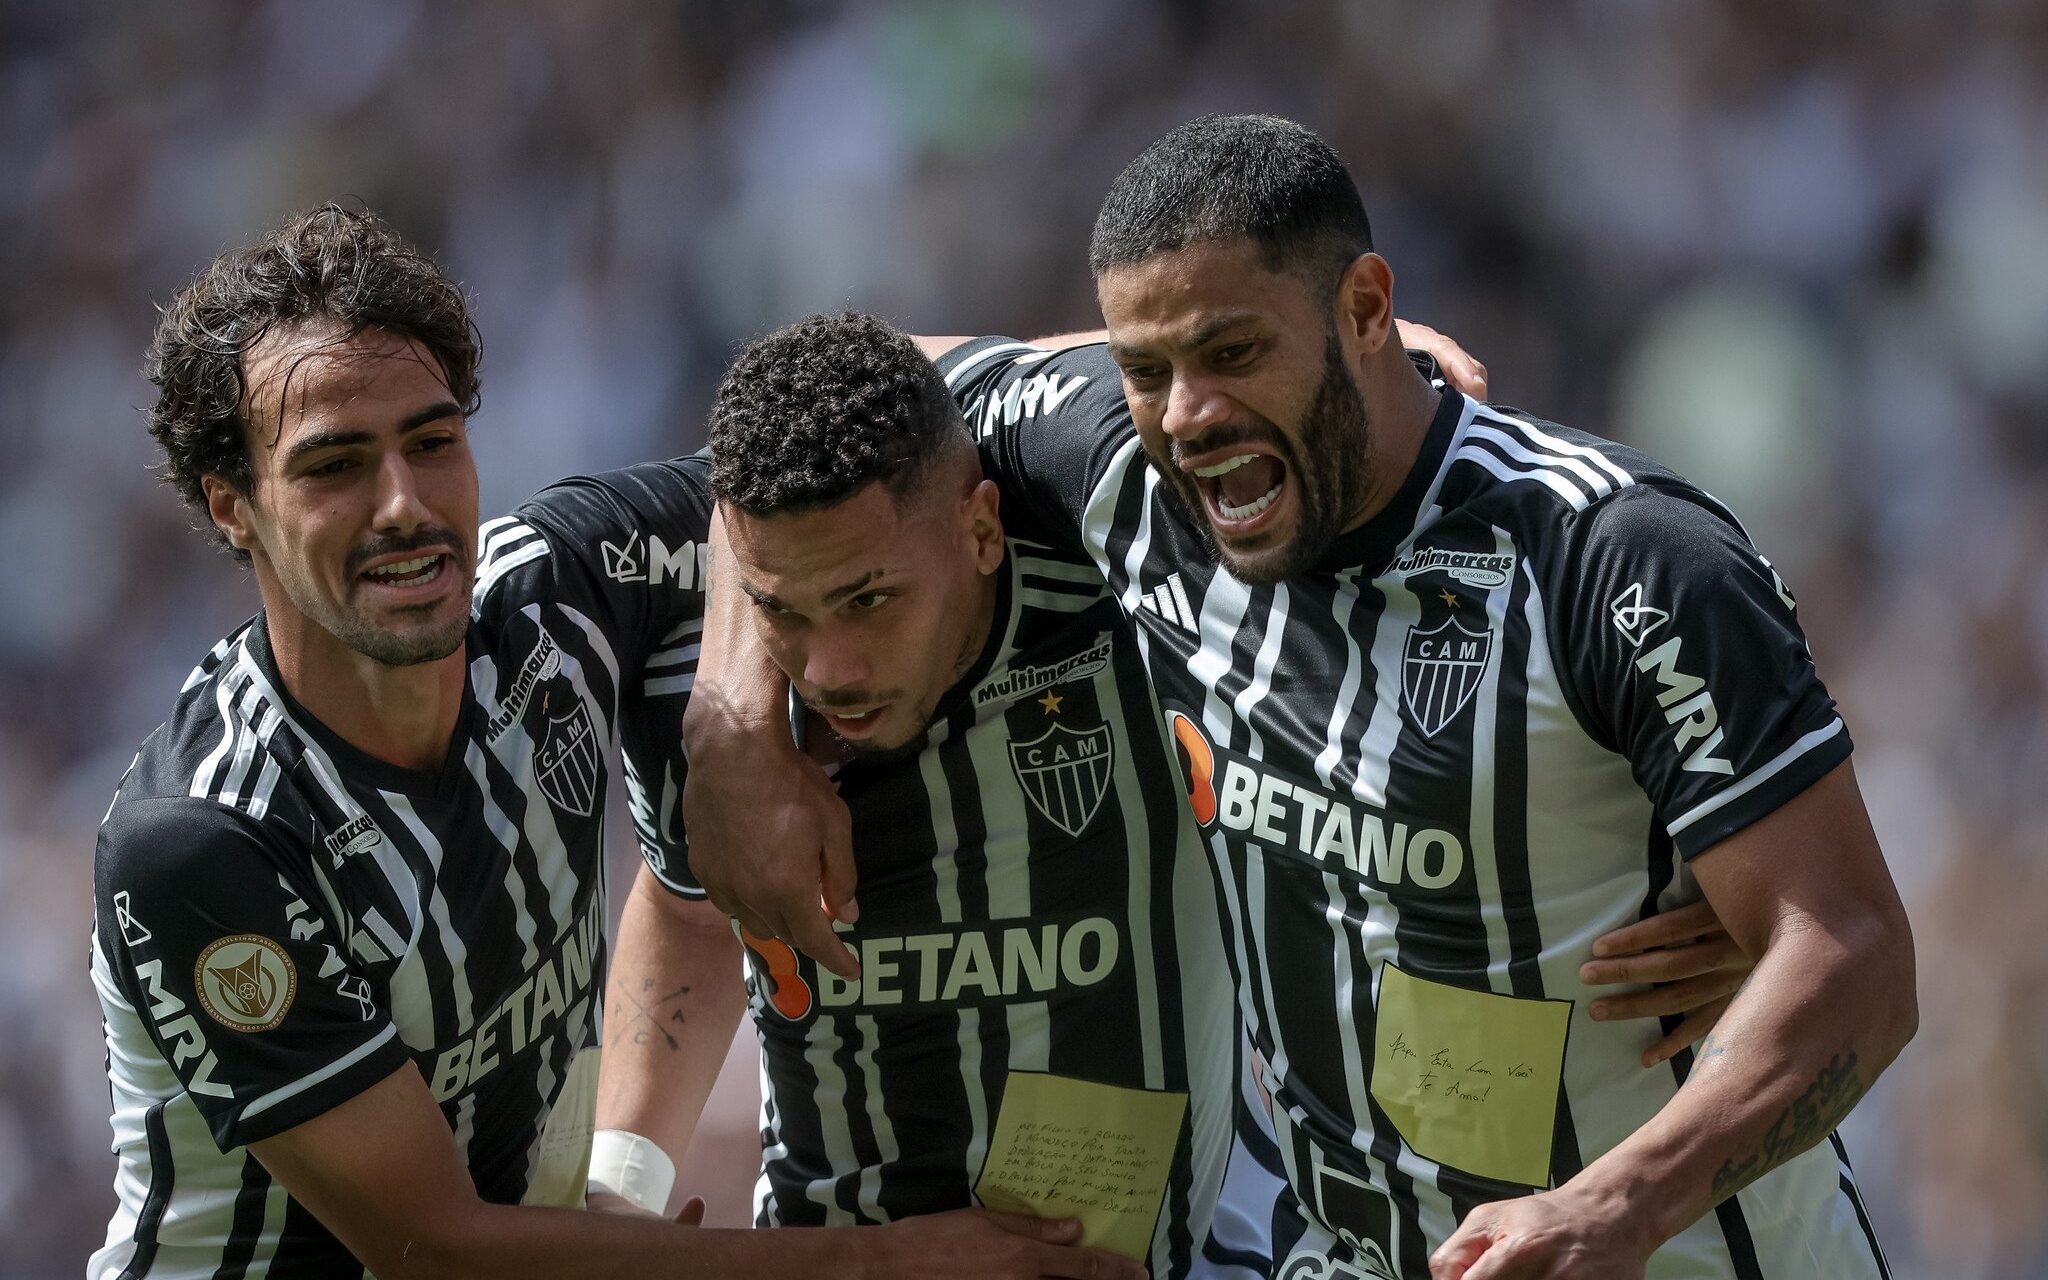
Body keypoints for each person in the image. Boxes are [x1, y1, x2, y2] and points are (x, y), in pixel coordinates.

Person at [679, 116, 1917, 1280]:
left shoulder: (1616, 554)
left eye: (1232, 352)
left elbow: (1855, 956)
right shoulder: (1130, 488)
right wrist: (730, 711)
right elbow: (863, 388)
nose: (1188, 416)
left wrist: (1611, 1203)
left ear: (1366, 310)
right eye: (1145, 368)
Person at [87, 205, 1143, 1280]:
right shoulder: (203, 837)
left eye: (433, 440)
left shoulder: (561, 589)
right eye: (333, 467)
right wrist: (891, 1261)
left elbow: (870, 398)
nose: (404, 503)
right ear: (232, 505)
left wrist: (730, 709)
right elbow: (436, 1247)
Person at [601, 313, 1755, 1280]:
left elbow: (911, 367)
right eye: (784, 614)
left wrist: (1301, 365)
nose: (830, 665)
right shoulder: (709, 699)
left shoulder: (1137, 587)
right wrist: (622, 1184)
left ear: (980, 527)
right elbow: (694, 905)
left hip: (1188, 1250)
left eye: (867, 600)